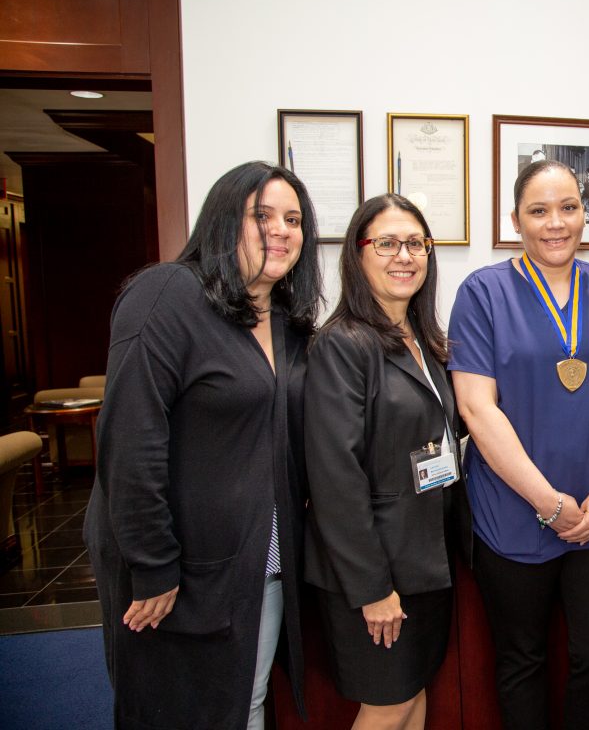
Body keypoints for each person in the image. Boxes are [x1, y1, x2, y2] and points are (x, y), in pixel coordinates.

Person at [84, 161, 321, 729]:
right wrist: (153, 565)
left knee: (248, 700)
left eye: (293, 219)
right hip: (176, 572)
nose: (281, 230)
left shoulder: (286, 320)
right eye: (261, 215)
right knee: (178, 711)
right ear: (221, 219)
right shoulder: (166, 293)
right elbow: (129, 442)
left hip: (260, 563)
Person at [449, 159, 589, 729]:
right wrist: (549, 502)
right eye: (538, 210)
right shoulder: (483, 292)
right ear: (515, 220)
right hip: (513, 514)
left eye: (568, 207)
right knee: (521, 661)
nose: (555, 222)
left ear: (586, 215)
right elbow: (475, 407)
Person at [304, 194, 466, 730]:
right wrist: (372, 588)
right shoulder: (341, 345)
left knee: (413, 695)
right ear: (358, 253)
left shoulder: (423, 339)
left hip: (424, 561)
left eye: (416, 243)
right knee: (387, 705)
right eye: (388, 243)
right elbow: (335, 478)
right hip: (374, 573)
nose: (405, 256)